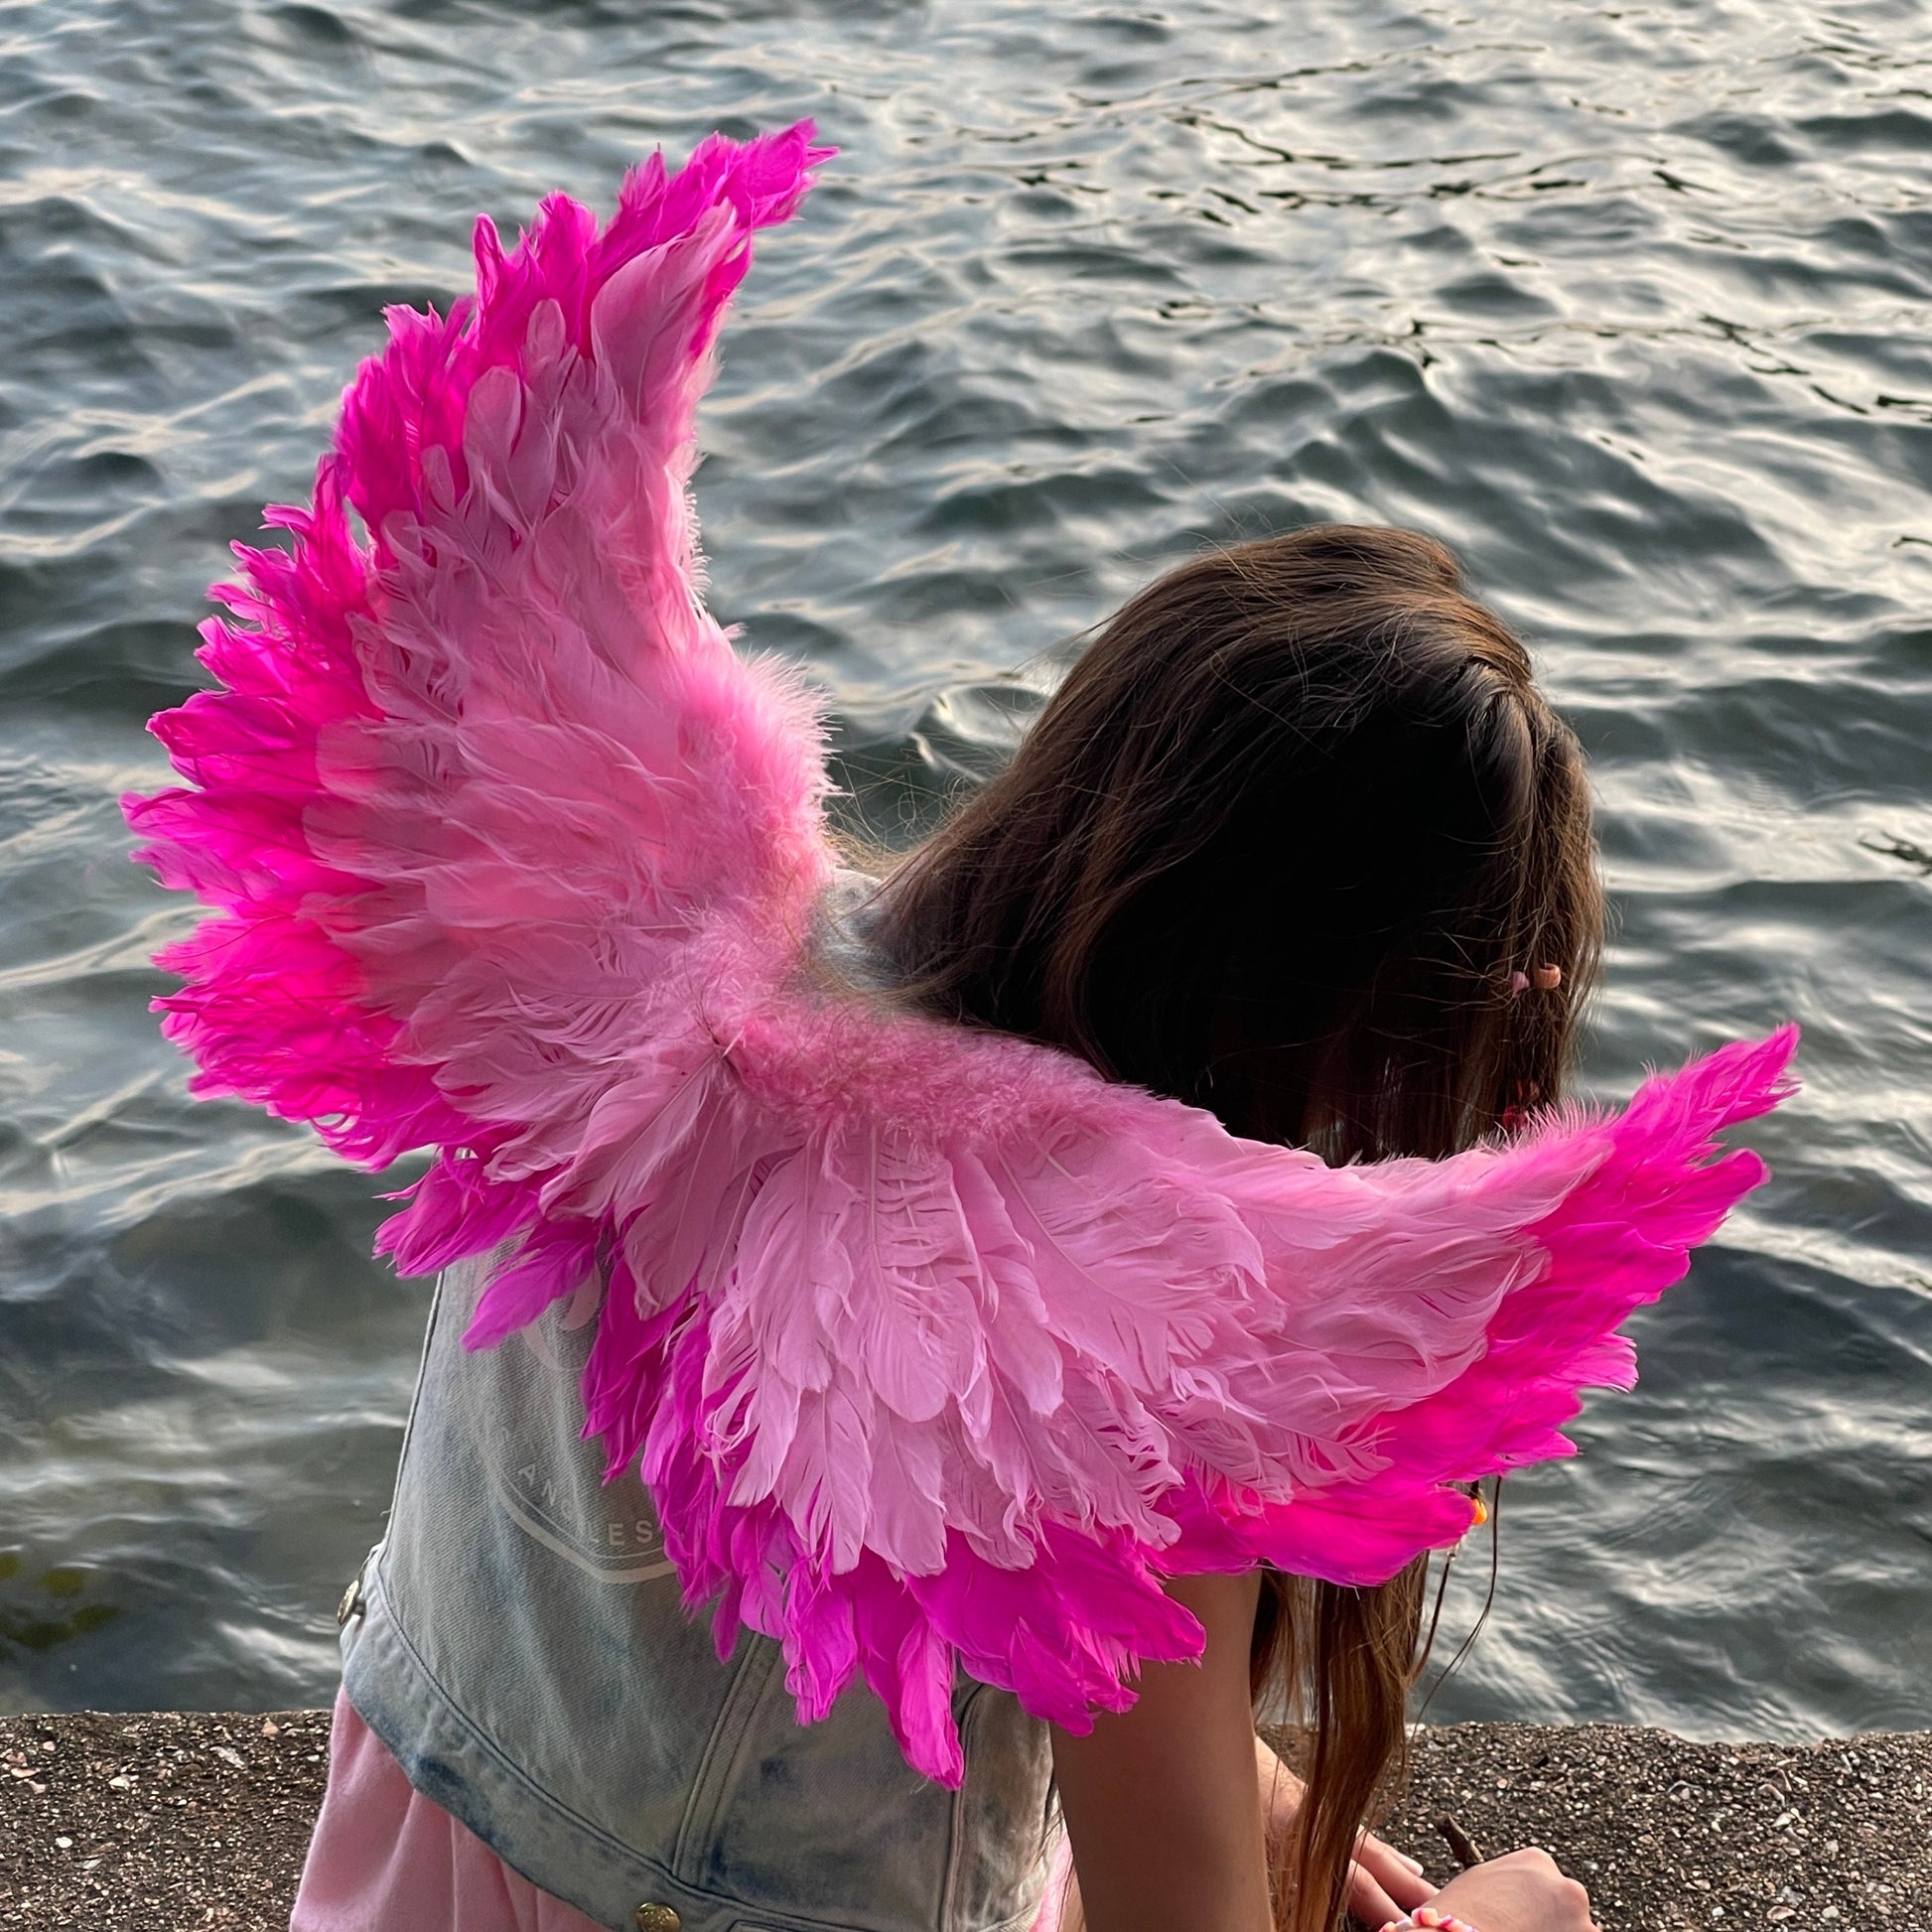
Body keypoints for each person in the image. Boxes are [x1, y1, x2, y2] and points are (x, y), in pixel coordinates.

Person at [124, 125, 1793, 1932]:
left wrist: (1227, 1769)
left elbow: (881, 1543)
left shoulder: (648, 950)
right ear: (1362, 1027)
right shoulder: (1147, 1335)